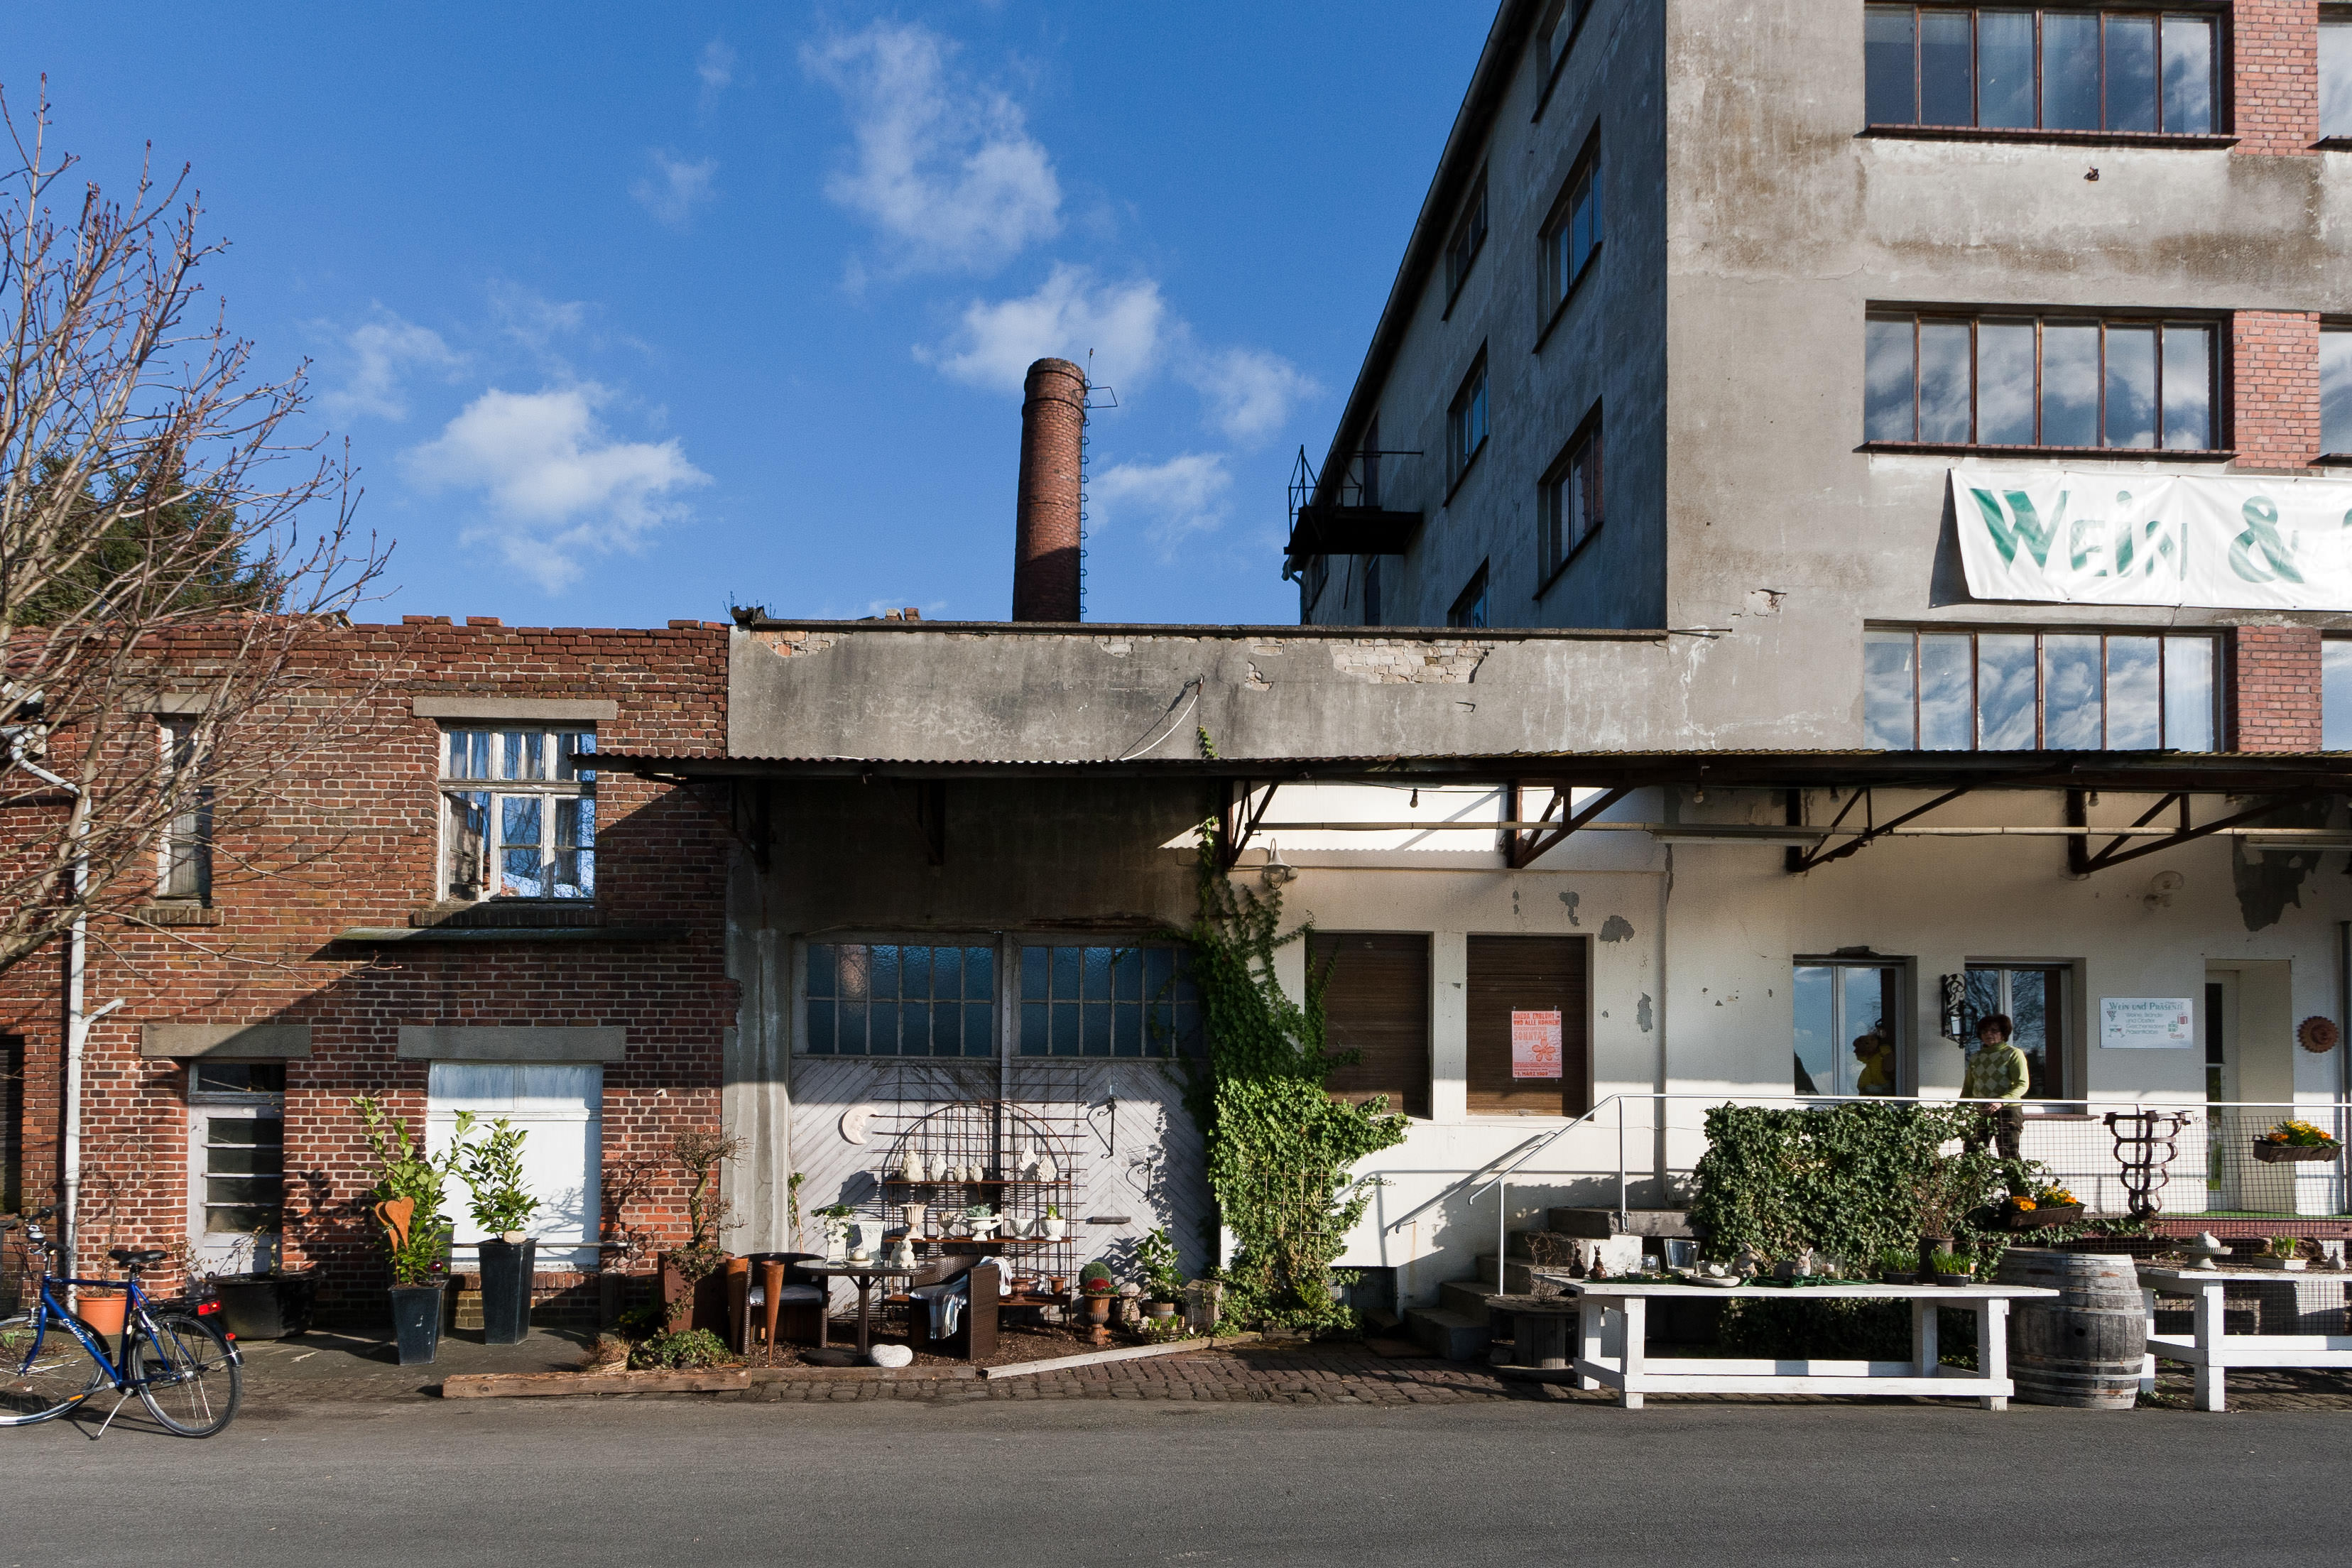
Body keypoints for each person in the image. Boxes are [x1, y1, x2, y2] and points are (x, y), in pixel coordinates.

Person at [1964, 1011, 2030, 1160]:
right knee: (1972, 1154)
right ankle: (1976, 1178)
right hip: (1980, 1111)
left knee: (2008, 1155)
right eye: (1984, 1031)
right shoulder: (1976, 1058)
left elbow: (2022, 1085)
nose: (1989, 1034)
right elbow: (1968, 1088)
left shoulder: (2013, 1054)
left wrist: (2001, 1101)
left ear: (2003, 1034)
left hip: (2007, 1111)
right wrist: (1958, 1111)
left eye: (1994, 1031)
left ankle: (2014, 1177)